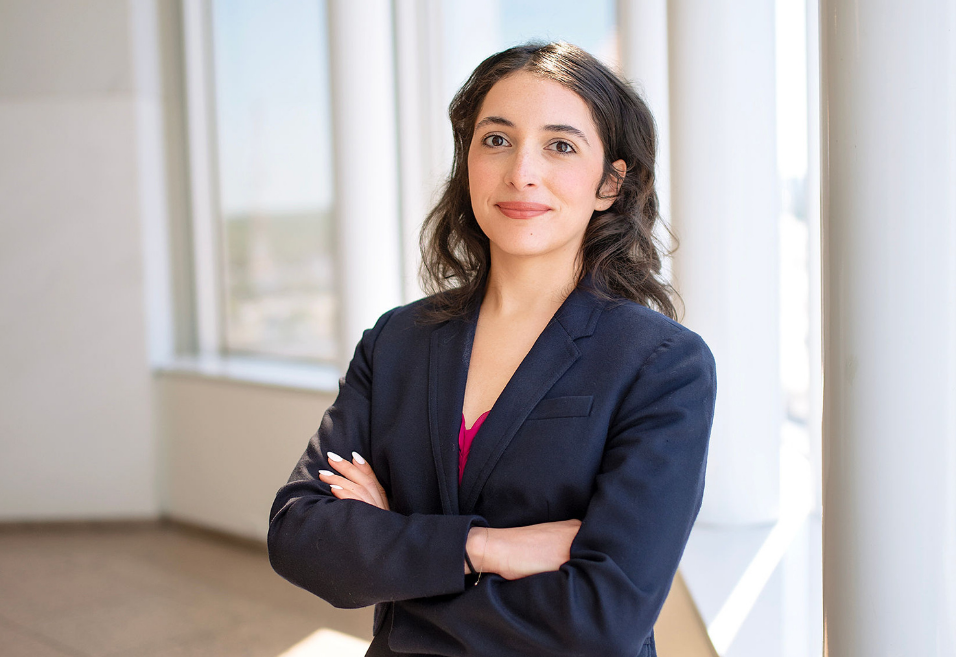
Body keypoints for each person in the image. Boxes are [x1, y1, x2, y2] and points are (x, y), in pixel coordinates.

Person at [268, 42, 716, 657]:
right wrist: (486, 549)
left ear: (610, 182)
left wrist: (398, 559)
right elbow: (301, 534)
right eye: (496, 139)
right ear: (468, 161)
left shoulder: (661, 364)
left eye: (560, 145)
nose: (521, 172)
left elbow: (603, 620)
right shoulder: (397, 341)